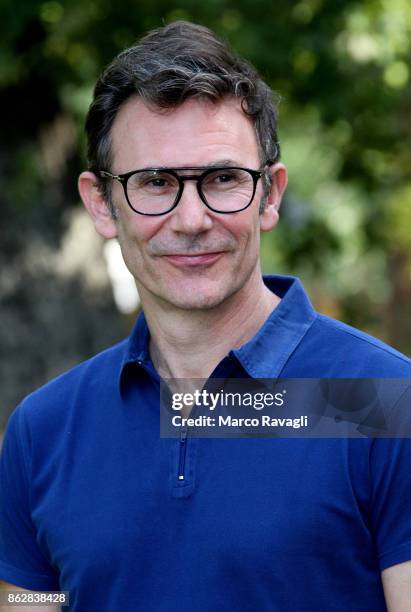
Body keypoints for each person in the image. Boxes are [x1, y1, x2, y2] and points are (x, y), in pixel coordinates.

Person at [1, 20, 411, 612]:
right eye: (156, 182)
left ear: (270, 194)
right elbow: (29, 607)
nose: (191, 220)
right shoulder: (42, 432)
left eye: (222, 179)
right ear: (101, 203)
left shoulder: (383, 402)